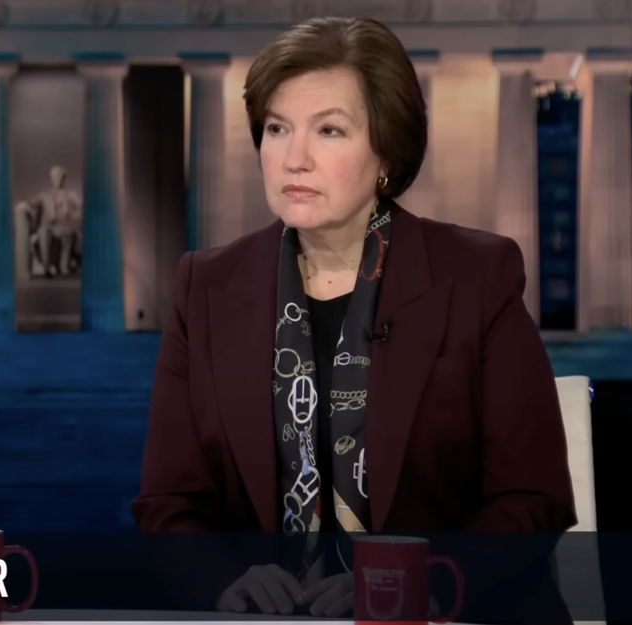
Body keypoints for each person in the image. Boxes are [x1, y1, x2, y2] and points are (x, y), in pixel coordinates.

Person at [132, 16, 575, 622]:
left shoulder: (477, 277)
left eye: (330, 130)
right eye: (277, 128)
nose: (294, 159)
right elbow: (167, 502)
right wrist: (225, 581)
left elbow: (532, 499)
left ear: (386, 150)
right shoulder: (204, 286)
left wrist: (419, 583)